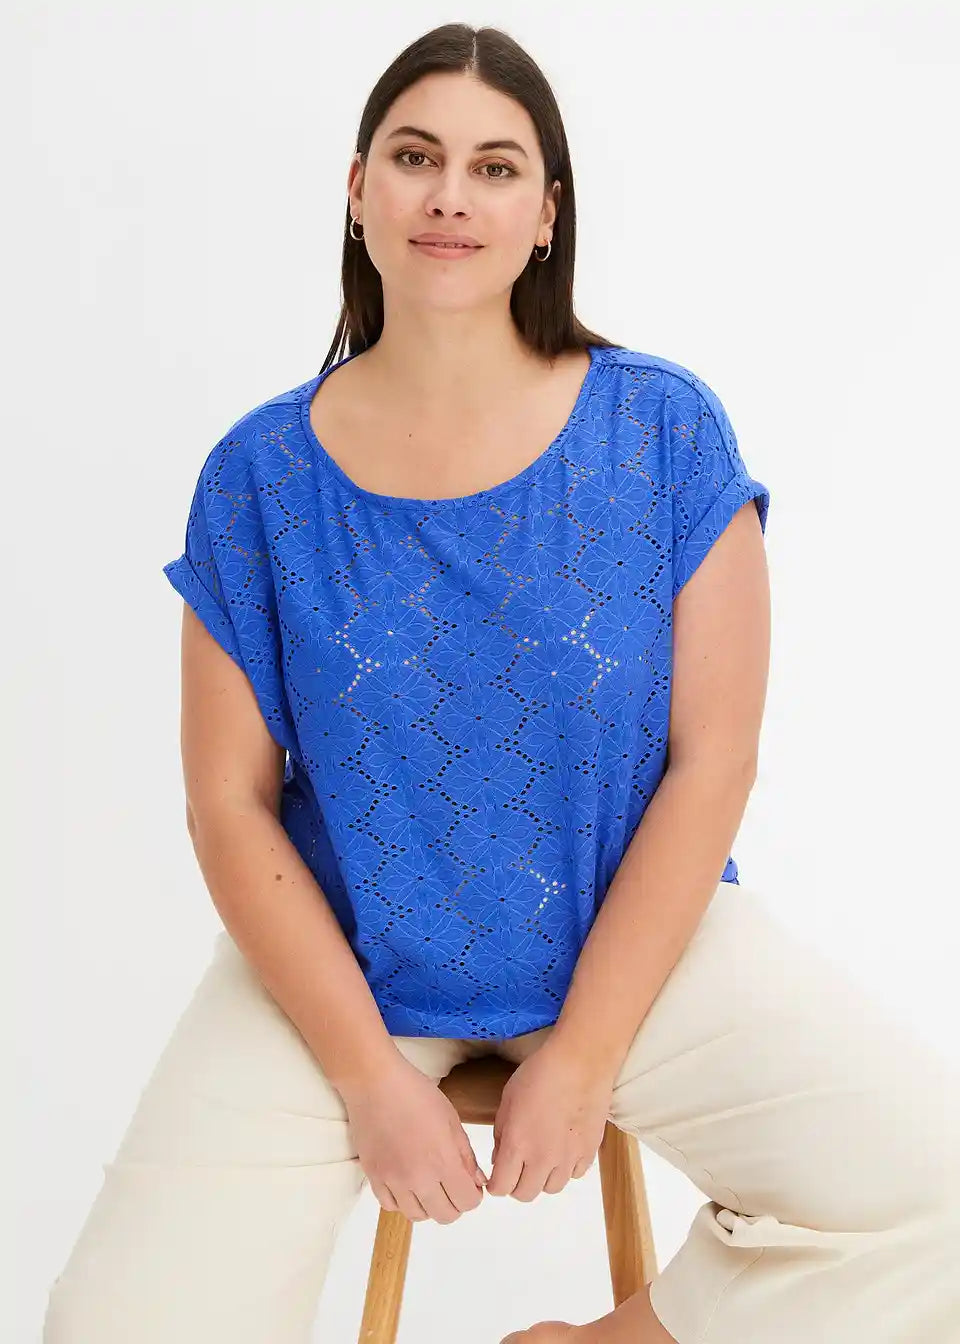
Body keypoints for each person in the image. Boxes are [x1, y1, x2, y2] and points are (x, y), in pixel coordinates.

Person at [43, 22, 959, 1344]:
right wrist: (370, 1082)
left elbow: (714, 759)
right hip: (347, 966)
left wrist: (584, 1056)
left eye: (494, 166)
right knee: (113, 1324)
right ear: (358, 190)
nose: (451, 197)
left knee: (937, 1199)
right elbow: (227, 805)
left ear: (547, 214)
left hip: (632, 942)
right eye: (416, 158)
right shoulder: (259, 477)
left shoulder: (662, 431)